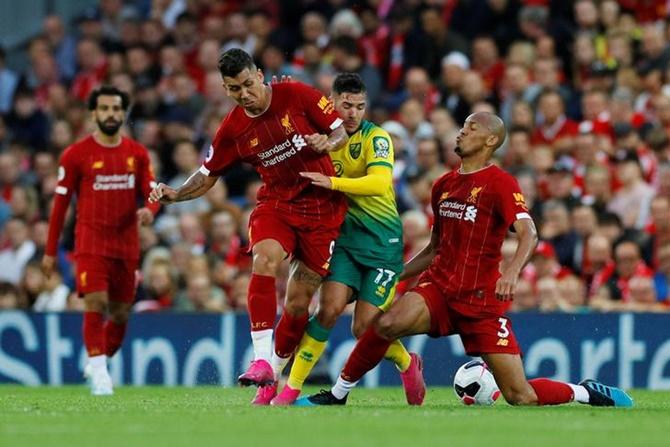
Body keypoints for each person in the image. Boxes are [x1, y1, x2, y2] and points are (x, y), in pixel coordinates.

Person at [297, 112, 634, 408]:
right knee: (385, 324)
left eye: (470, 128)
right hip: (440, 288)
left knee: (521, 396)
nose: (461, 132)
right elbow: (433, 248)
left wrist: (512, 272)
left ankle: (585, 392)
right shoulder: (443, 184)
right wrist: (394, 275)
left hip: (481, 299)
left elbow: (529, 232)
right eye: (462, 126)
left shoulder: (501, 183)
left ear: (490, 140)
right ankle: (338, 394)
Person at [149, 48, 348, 405]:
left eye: (246, 84)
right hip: (277, 205)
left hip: (323, 210)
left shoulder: (297, 95)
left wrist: (326, 142)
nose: (244, 94)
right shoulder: (234, 129)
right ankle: (259, 360)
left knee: (299, 304)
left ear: (258, 74)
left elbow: (340, 132)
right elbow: (208, 174)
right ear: (225, 89)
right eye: (233, 89)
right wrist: (176, 194)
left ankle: (272, 374)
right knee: (264, 258)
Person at [270, 73, 425, 406]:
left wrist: (332, 183)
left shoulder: (377, 137)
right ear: (332, 102)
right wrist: (282, 94)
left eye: (360, 106)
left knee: (364, 328)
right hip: (342, 241)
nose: (354, 113)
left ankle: (408, 362)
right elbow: (284, 130)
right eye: (346, 105)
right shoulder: (322, 138)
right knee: (327, 310)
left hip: (382, 244)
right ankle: (291, 390)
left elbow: (380, 183)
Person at [42, 85, 159, 395]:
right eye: (105, 109)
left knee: (120, 313)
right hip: (90, 243)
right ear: (93, 114)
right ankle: (101, 375)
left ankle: (98, 361)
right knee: (95, 302)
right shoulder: (76, 154)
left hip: (126, 245)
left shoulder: (137, 154)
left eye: (116, 109)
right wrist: (50, 251)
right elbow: (60, 206)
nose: (111, 114)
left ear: (123, 113)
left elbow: (151, 191)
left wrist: (150, 209)